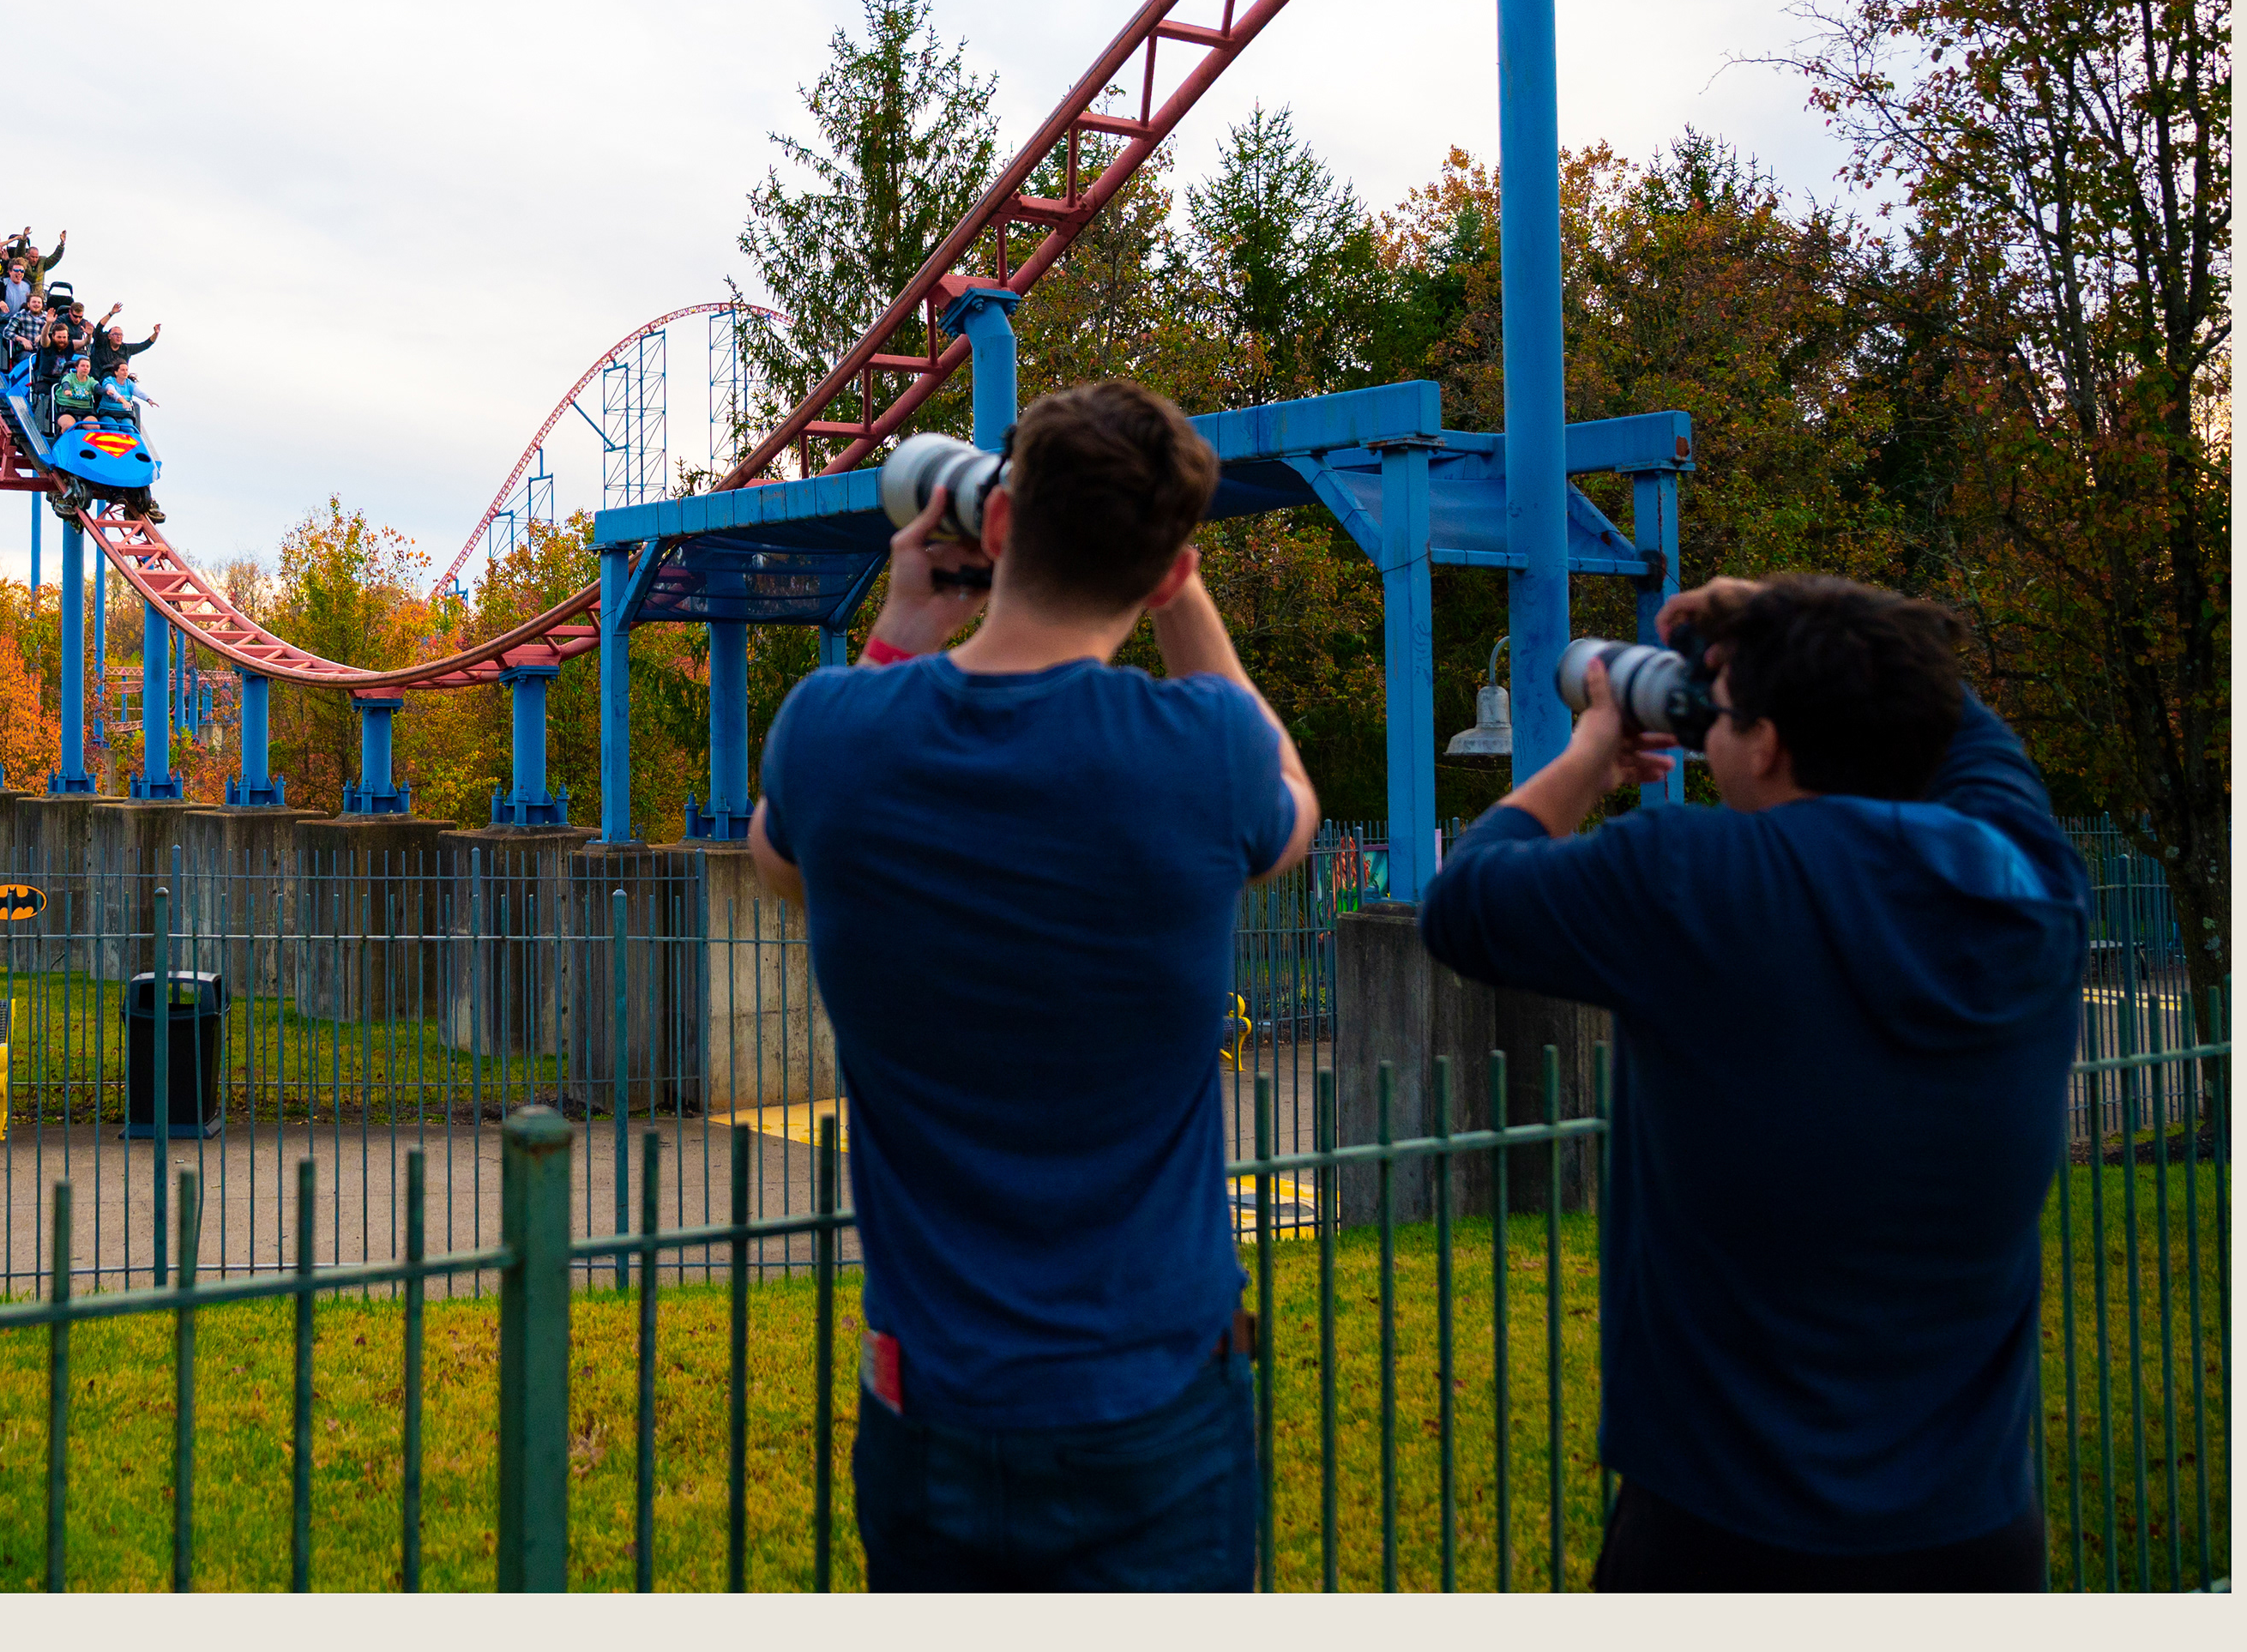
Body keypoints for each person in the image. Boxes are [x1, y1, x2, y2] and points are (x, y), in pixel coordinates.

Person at [747, 381, 1318, 1591]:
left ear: (997, 525)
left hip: (932, 1404)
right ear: (1167, 571)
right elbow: (1294, 810)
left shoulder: (832, 734)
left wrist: (903, 624)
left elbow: (780, 861)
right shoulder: (1205, 751)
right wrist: (1183, 592)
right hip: (1157, 1397)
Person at [1417, 573, 2087, 1592]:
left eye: (1719, 713)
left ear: (1766, 744)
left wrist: (1592, 749)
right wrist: (1803, 612)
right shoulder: (2030, 881)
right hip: (1972, 1532)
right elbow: (1945, 712)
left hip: (1722, 1524)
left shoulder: (1695, 877)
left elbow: (1466, 900)